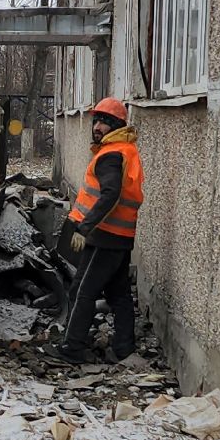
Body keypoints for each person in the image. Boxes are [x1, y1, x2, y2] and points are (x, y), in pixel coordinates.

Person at [49, 97, 142, 365]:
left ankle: (71, 349)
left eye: (103, 122)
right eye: (96, 121)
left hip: (104, 237)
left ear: (115, 126)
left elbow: (110, 195)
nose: (97, 127)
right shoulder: (125, 150)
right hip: (120, 238)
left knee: (82, 291)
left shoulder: (111, 155)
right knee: (119, 294)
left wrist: (84, 228)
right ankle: (124, 349)